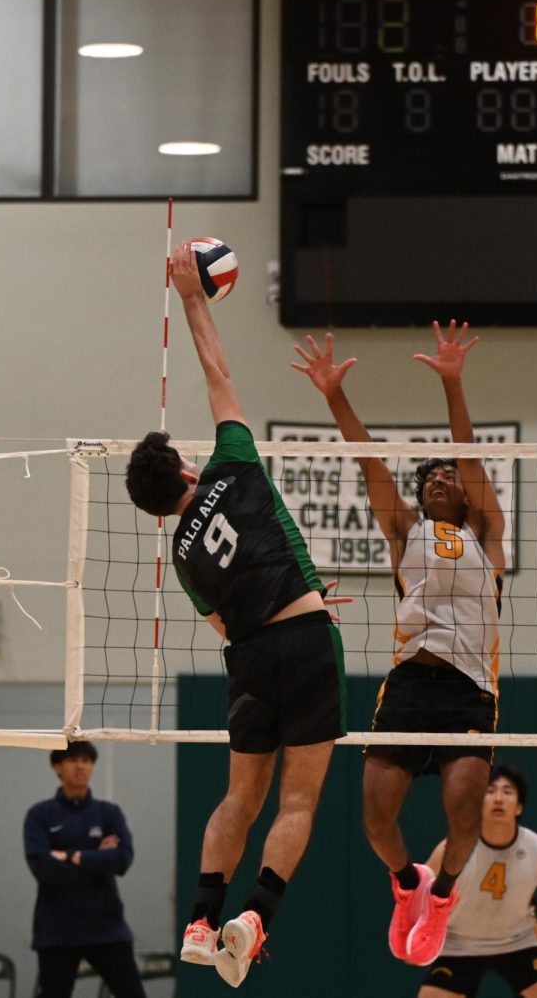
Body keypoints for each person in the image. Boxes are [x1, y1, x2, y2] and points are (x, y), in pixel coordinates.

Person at [124, 242, 345, 988]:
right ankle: (253, 917)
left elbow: (224, 622)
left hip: (248, 657)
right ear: (187, 468)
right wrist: (192, 294)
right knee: (298, 799)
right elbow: (217, 369)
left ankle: (200, 921)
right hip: (306, 638)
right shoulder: (235, 459)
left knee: (239, 798)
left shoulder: (181, 555)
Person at [293, 321, 506, 967]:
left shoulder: (486, 534)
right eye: (430, 476)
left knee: (464, 815)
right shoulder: (404, 531)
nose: (440, 478)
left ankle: (441, 898)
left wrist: (453, 383)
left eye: (449, 475)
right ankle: (408, 883)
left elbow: (469, 455)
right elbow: (369, 462)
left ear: (465, 491)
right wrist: (333, 394)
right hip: (410, 682)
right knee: (376, 819)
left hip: (470, 690)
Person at [417, 764, 537, 998]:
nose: (498, 798)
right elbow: (421, 894)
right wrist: (416, 938)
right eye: (490, 791)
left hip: (519, 942)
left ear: (519, 806)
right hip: (459, 944)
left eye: (507, 791)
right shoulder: (451, 848)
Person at [23, 741, 147, 998]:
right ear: (57, 766)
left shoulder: (109, 813)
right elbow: (43, 868)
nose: (80, 766)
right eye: (72, 760)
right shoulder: (40, 815)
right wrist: (99, 860)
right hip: (57, 930)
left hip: (107, 927)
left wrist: (72, 856)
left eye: (86, 761)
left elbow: (122, 860)